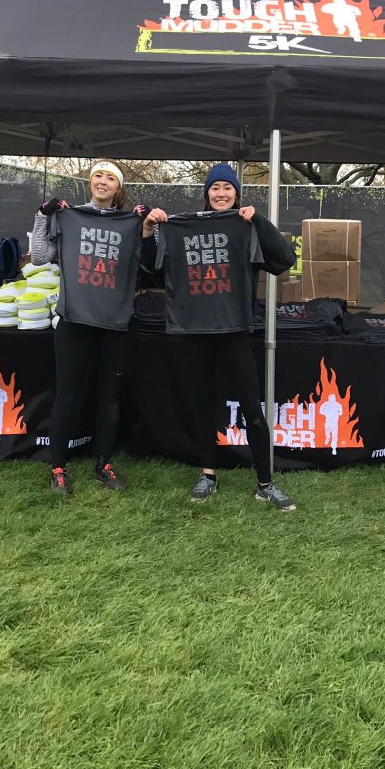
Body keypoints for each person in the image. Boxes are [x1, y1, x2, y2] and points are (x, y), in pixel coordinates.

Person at [143, 163, 297, 511]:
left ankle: (265, 483)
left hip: (234, 332)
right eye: (215, 188)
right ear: (207, 194)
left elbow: (285, 259)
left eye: (228, 188)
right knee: (202, 406)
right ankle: (208, 475)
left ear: (237, 194)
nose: (222, 193)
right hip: (195, 331)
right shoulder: (181, 227)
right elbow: (150, 270)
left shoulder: (245, 226)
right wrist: (150, 229)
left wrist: (258, 220)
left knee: (251, 408)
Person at [32, 162, 147, 495]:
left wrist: (149, 225)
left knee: (109, 399)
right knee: (67, 397)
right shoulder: (69, 217)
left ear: (119, 188)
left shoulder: (130, 223)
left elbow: (151, 262)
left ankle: (104, 465)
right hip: (74, 321)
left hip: (114, 324)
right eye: (98, 175)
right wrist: (42, 214)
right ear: (89, 182)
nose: (103, 181)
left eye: (111, 177)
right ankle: (57, 469)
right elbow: (39, 256)